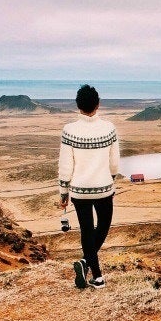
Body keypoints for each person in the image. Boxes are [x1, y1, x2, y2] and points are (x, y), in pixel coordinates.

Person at [58, 84, 120, 289]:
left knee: (86, 230)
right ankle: (91, 270)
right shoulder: (109, 128)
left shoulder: (69, 130)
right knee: (102, 227)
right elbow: (115, 162)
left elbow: (66, 165)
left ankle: (93, 270)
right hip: (104, 188)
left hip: (78, 190)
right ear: (98, 104)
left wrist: (63, 192)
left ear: (78, 106)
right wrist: (109, 178)